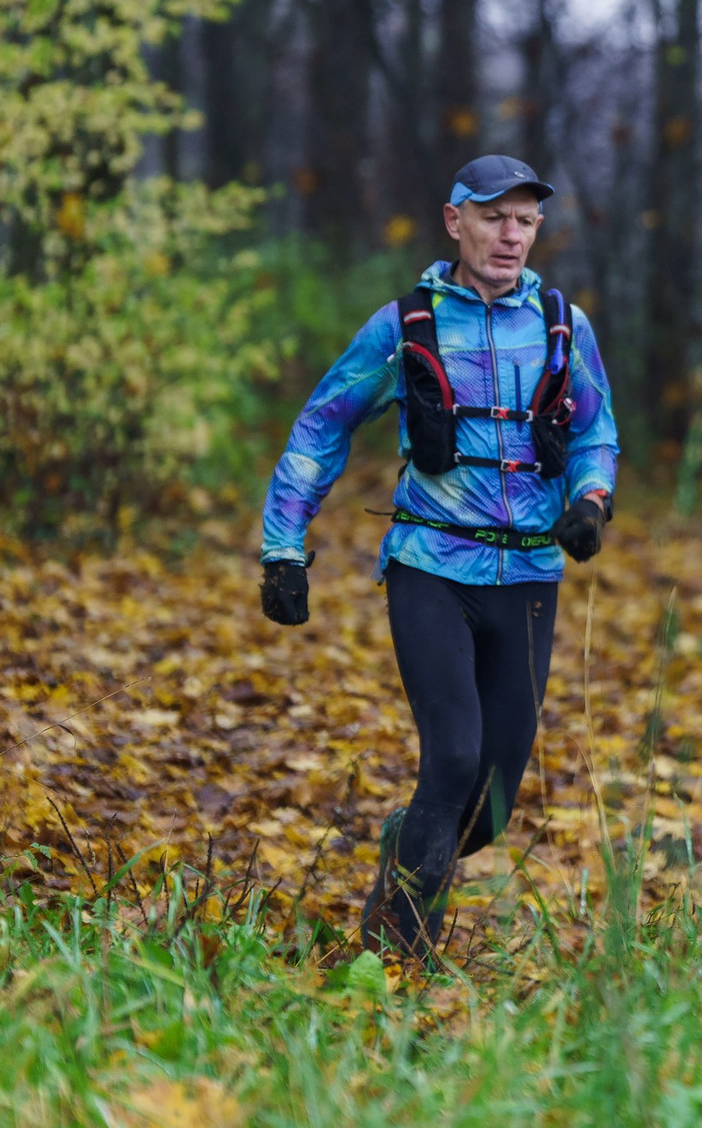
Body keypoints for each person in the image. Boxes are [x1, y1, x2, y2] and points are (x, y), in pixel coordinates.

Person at [258, 154, 619, 957]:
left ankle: (407, 844)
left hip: (529, 577)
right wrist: (284, 546)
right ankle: (397, 954)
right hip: (430, 566)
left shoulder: (564, 324)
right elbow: (324, 422)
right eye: (494, 216)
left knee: (487, 808)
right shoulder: (405, 323)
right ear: (454, 220)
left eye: (526, 220)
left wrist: (591, 502)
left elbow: (596, 430)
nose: (511, 235)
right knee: (452, 753)